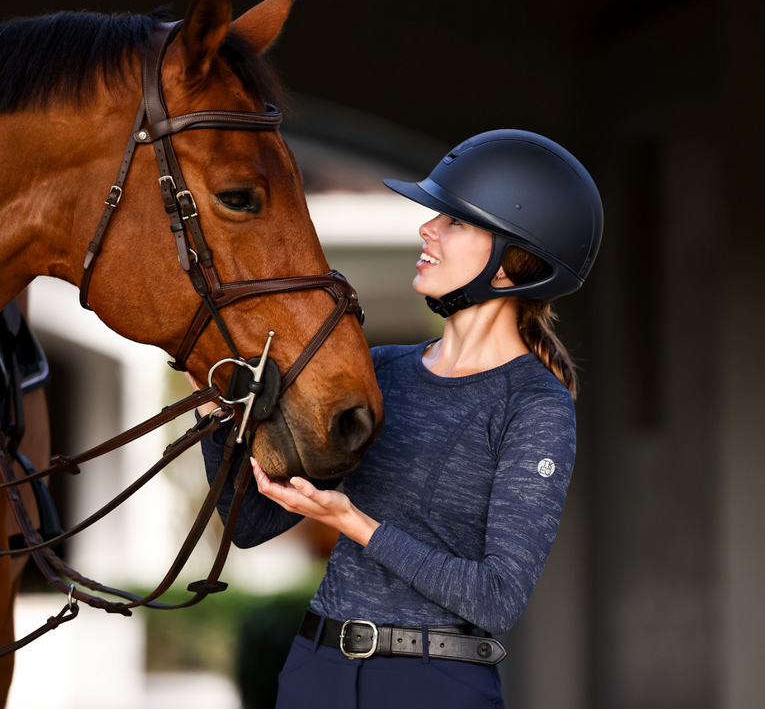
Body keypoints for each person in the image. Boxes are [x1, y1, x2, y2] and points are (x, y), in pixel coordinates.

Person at [195, 128, 603, 708]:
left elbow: (496, 597)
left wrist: (356, 524)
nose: (426, 229)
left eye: (454, 221)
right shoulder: (382, 371)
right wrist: (217, 408)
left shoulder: (535, 407)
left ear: (514, 264)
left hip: (434, 685)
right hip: (317, 669)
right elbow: (251, 525)